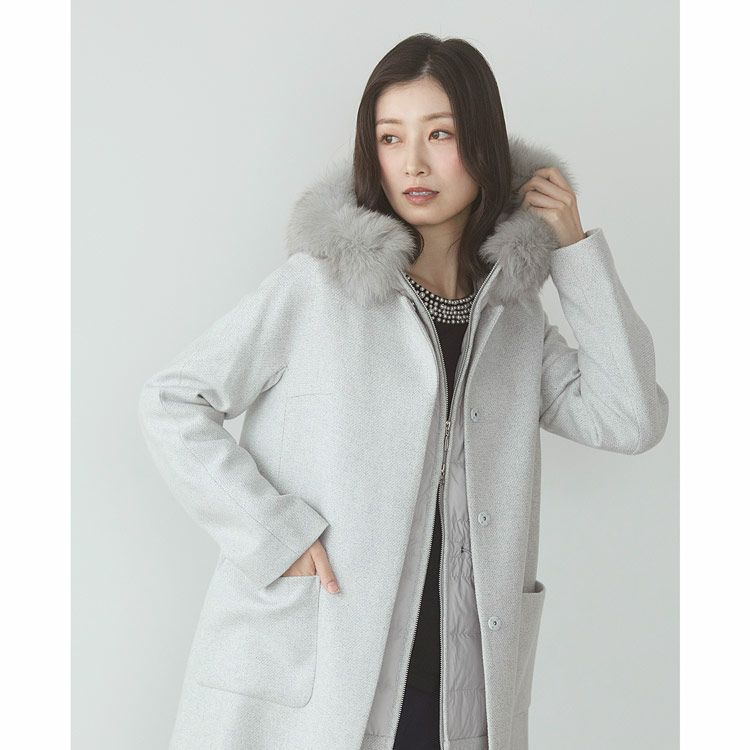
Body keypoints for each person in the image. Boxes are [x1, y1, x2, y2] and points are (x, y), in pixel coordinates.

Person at [138, 33, 668, 750]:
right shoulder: (318, 288)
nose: (412, 162)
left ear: (485, 145)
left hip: (457, 678)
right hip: (321, 666)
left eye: (440, 134)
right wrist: (272, 532)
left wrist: (574, 256)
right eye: (391, 137)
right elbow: (174, 401)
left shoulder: (512, 320)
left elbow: (629, 418)